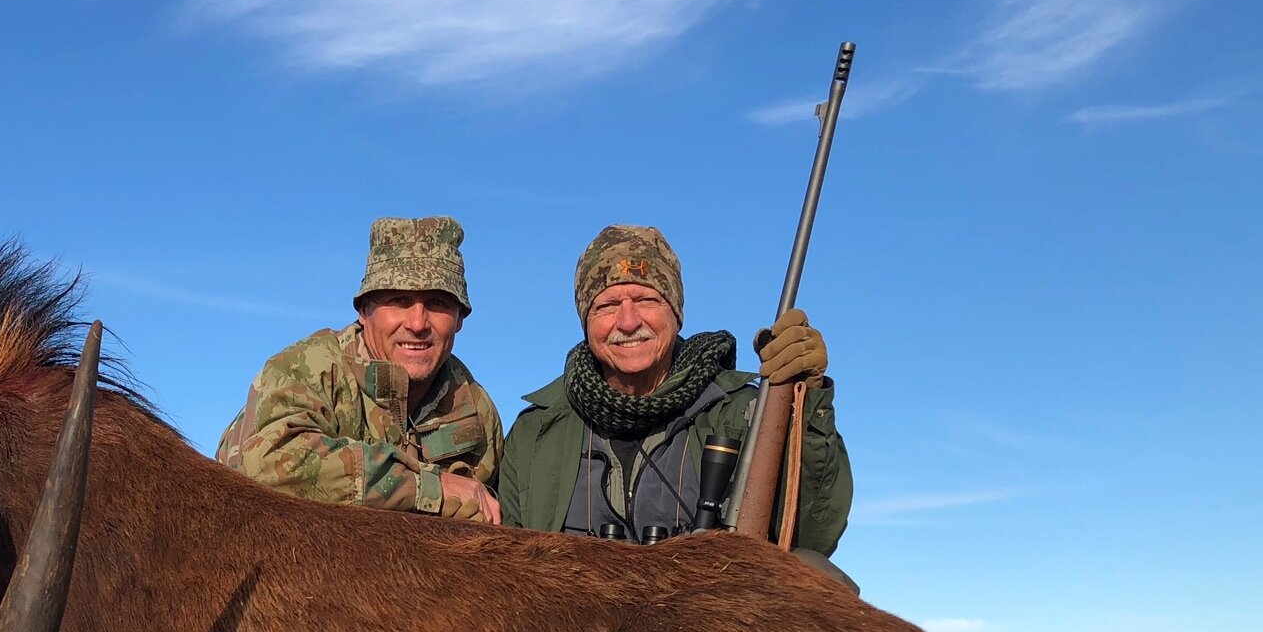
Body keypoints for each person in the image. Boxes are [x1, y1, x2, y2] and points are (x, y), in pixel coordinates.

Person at [497, 224, 851, 570]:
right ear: (586, 321)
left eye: (647, 299)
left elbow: (813, 536)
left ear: (676, 314)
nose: (628, 321)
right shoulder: (536, 432)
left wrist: (806, 404)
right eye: (606, 306)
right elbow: (511, 570)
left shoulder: (741, 412)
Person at [217, 216, 503, 522]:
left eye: (437, 303)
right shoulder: (308, 369)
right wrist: (432, 488)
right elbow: (270, 464)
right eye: (398, 300)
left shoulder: (475, 409)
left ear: (459, 318)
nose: (418, 323)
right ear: (364, 310)